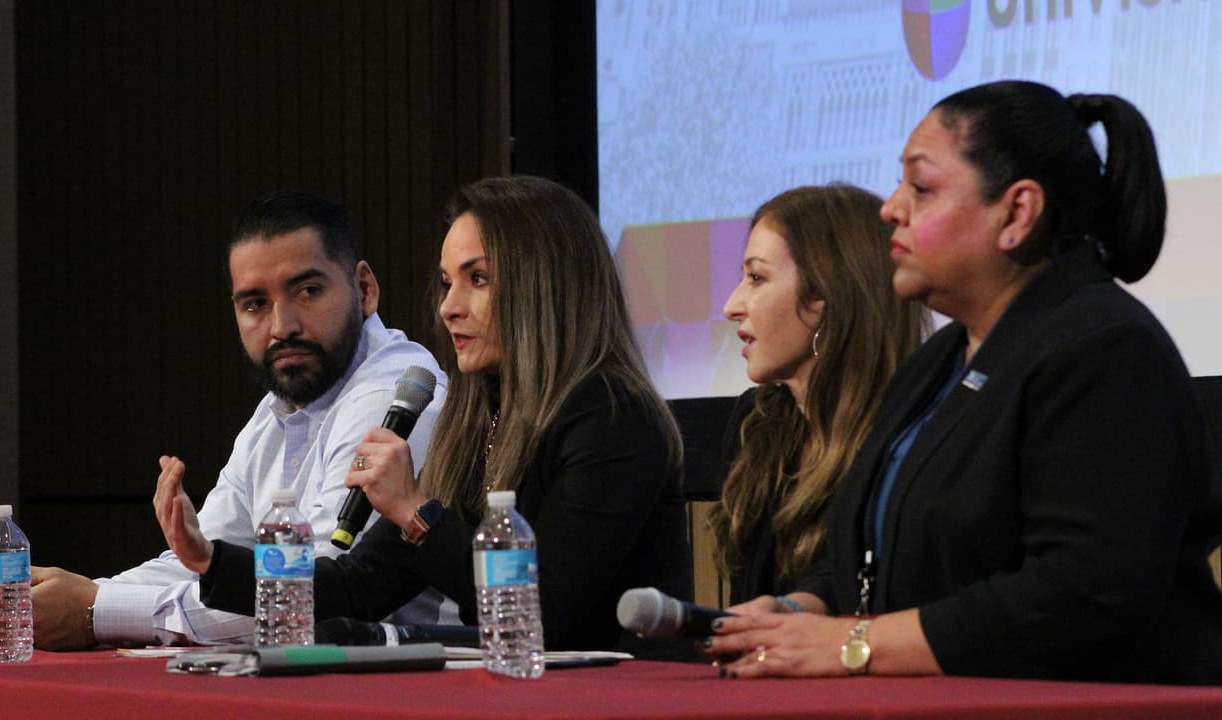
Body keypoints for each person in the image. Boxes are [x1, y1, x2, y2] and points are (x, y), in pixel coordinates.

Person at [707, 80, 1222, 684]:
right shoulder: (944, 359)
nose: (890, 207)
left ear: (1017, 213)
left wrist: (854, 644)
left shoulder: (1105, 348)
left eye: (921, 187)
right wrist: (800, 612)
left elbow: (1083, 592)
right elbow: (895, 560)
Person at [155, 176, 692, 652]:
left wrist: (415, 510)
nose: (448, 306)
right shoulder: (480, 417)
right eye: (446, 281)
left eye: (477, 279)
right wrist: (210, 560)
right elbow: (356, 585)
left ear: (544, 283)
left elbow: (543, 614)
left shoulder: (611, 417)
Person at [31, 191, 449, 649]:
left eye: (307, 292)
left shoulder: (390, 396)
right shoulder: (283, 404)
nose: (281, 326)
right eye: (254, 304)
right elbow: (205, 563)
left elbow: (316, 590)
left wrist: (96, 610)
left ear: (365, 289)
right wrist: (80, 595)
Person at [713, 185, 927, 606]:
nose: (732, 305)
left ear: (827, 298)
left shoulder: (908, 435)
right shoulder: (757, 426)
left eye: (756, 278)